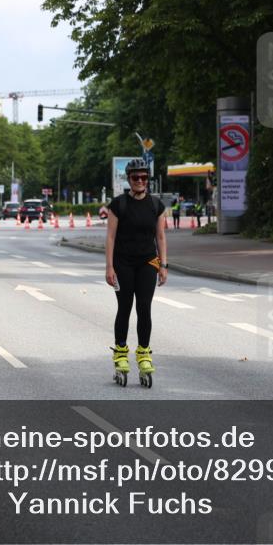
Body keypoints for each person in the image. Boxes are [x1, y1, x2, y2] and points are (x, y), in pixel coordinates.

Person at [105, 159, 168, 387]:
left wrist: (164, 265)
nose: (140, 181)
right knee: (124, 308)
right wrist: (109, 266)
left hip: (148, 262)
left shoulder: (156, 205)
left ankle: (143, 354)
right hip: (123, 263)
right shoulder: (118, 205)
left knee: (144, 308)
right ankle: (120, 353)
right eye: (135, 178)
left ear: (147, 180)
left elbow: (160, 237)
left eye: (143, 178)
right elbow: (110, 237)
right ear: (128, 179)